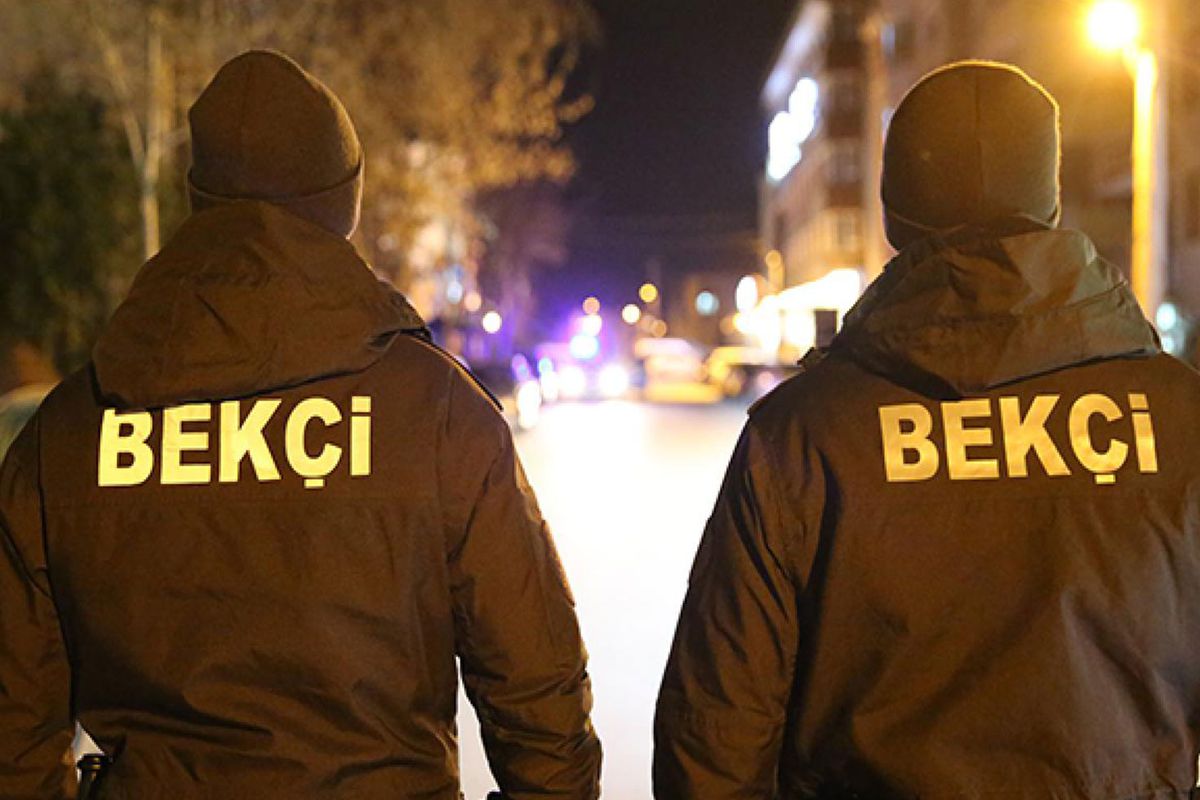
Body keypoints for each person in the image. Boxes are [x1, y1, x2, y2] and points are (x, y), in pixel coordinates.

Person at [0, 50, 601, 799]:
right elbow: (538, 698)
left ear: (199, 198)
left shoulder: (69, 433)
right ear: (342, 203)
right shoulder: (435, 413)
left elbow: (13, 729)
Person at [653, 60, 1200, 798]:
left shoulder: (804, 434)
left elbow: (716, 732)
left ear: (894, 214)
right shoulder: (1180, 418)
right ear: (1048, 200)